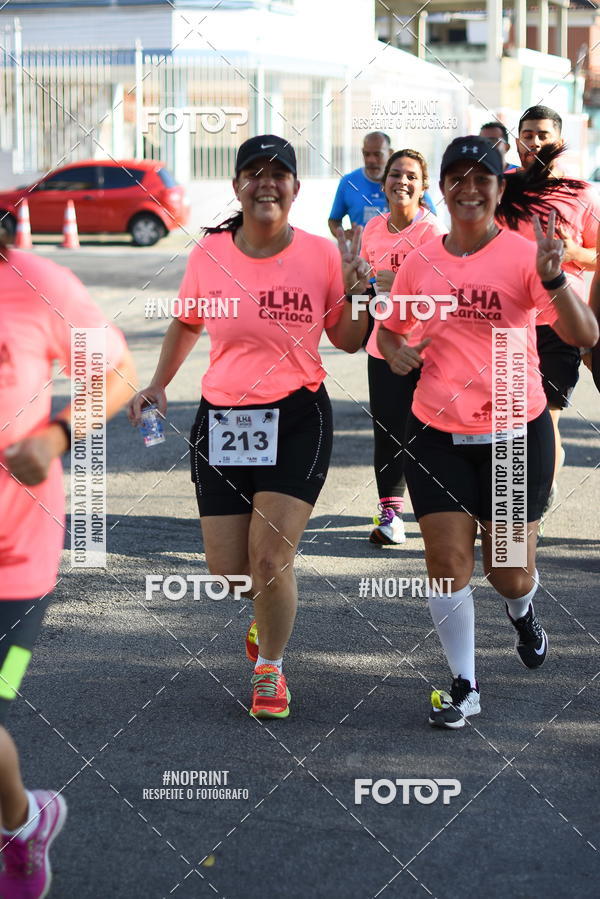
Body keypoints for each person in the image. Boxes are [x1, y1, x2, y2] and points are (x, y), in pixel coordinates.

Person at [128, 135, 369, 721]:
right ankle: (265, 621)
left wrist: (364, 290)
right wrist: (159, 383)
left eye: (278, 174)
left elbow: (349, 339)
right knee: (229, 572)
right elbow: (187, 323)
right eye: (253, 174)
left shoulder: (319, 255)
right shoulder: (209, 254)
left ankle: (270, 670)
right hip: (224, 418)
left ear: (295, 187)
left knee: (271, 559)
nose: (266, 183)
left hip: (297, 415)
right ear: (237, 186)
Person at [378, 136, 598, 729]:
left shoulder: (525, 257)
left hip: (512, 433)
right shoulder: (422, 260)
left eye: (483, 179)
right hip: (436, 430)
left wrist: (554, 282)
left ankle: (523, 611)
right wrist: (396, 351)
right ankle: (464, 685)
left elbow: (585, 334)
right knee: (447, 561)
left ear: (500, 191)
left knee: (506, 573)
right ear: (442, 189)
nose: (469, 189)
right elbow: (389, 331)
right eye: (458, 178)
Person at [0, 228, 135, 894]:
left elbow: (116, 373)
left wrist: (55, 434)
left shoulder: (37, 283)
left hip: (18, 558)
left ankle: (26, 819)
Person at [513, 105, 600, 530]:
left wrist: (571, 254)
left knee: (544, 421)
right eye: (527, 134)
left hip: (560, 322)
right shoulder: (503, 189)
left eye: (543, 135)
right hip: (509, 323)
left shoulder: (582, 193)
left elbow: (598, 254)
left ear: (559, 141)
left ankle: (534, 503)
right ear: (517, 142)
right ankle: (514, 503)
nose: (535, 142)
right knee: (510, 421)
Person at [361, 149, 445, 545]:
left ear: (424, 185)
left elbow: (445, 293)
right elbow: (365, 285)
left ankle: (443, 514)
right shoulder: (372, 229)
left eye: (412, 176)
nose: (402, 182)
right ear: (384, 182)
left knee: (432, 434)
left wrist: (399, 286)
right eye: (395, 174)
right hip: (385, 346)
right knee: (389, 432)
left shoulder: (433, 233)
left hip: (428, 349)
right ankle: (391, 516)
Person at [328, 132, 436, 242]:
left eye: (377, 154)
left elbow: (432, 220)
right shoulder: (348, 182)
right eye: (366, 154)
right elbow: (333, 220)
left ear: (390, 153)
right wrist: (345, 235)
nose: (371, 160)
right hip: (364, 256)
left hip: (402, 255)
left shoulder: (408, 184)